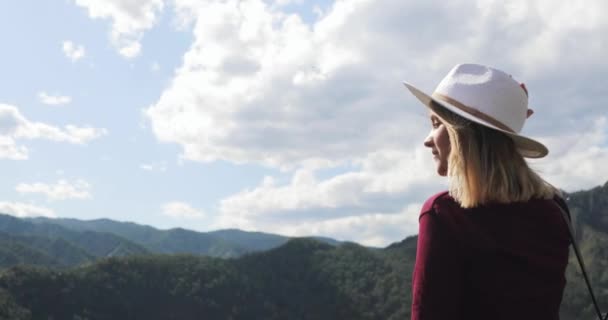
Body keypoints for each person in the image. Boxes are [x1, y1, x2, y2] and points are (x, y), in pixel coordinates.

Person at [402, 64, 570, 319]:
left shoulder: (443, 214)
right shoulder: (555, 209)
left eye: (436, 123)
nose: (428, 139)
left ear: (463, 135)